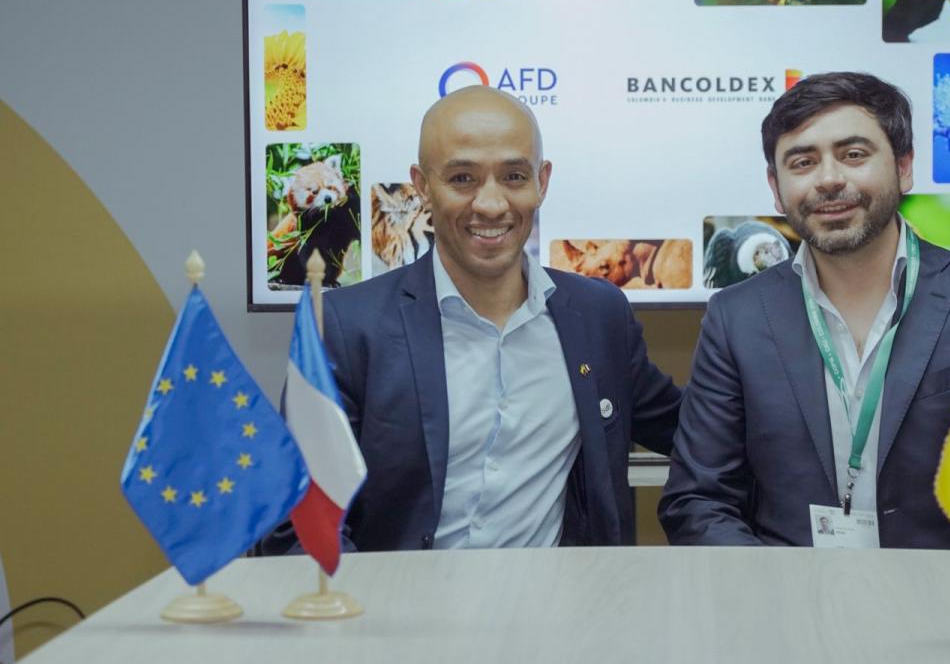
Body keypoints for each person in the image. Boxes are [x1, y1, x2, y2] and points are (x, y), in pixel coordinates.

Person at [262, 85, 680, 552]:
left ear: (542, 181)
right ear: (422, 185)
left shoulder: (597, 316)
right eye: (462, 178)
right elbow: (296, 522)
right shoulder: (345, 327)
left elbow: (694, 432)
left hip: (558, 612)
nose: (491, 204)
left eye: (515, 176)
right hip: (399, 614)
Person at [658, 71, 950, 548]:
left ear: (904, 167)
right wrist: (783, 597)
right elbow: (698, 501)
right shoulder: (736, 319)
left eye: (854, 155)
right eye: (802, 162)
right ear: (776, 189)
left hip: (944, 607)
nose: (828, 180)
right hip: (788, 607)